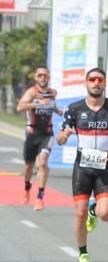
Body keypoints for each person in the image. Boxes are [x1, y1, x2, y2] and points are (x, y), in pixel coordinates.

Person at [55, 68, 108, 262]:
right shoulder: (74, 109)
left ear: (105, 83)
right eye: (92, 79)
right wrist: (65, 135)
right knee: (78, 214)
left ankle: (93, 211)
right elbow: (59, 139)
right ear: (86, 83)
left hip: (104, 166)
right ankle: (83, 254)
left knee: (106, 213)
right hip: (83, 167)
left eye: (100, 79)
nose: (96, 83)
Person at [16, 66, 62, 211]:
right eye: (40, 75)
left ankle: (40, 197)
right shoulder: (31, 92)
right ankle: (27, 187)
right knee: (29, 166)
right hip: (32, 134)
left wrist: (57, 110)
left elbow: (51, 105)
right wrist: (36, 103)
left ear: (48, 77)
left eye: (45, 76)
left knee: (42, 164)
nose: (42, 78)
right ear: (36, 77)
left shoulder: (53, 93)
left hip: (46, 134)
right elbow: (20, 107)